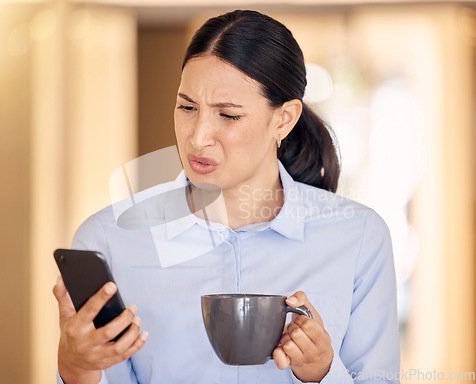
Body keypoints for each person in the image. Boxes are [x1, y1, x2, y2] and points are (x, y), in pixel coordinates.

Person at [53, 9, 400, 384]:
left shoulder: (358, 236)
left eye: (228, 115)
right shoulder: (110, 238)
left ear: (283, 119)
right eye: (187, 107)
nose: (198, 137)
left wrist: (323, 372)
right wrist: (78, 366)